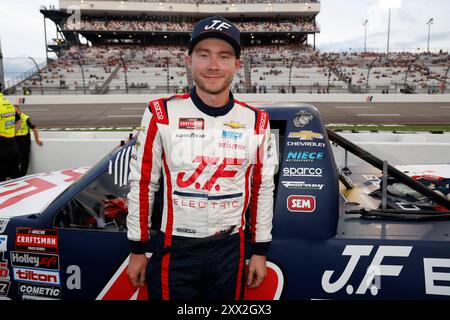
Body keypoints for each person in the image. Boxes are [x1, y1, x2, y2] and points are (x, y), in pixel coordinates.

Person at [126, 15, 275, 300]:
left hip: (232, 249)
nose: (213, 65)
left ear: (237, 65)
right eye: (203, 55)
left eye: (224, 56)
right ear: (189, 60)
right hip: (174, 248)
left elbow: (262, 188)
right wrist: (137, 248)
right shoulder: (161, 112)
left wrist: (259, 250)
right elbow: (143, 183)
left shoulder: (257, 120)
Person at [14, 105, 43, 177]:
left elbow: (34, 128)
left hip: (24, 141)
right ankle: (15, 175)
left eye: (15, 111)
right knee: (14, 159)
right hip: (14, 141)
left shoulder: (26, 118)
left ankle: (22, 175)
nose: (14, 113)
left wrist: (37, 139)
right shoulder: (12, 118)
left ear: (19, 110)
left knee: (24, 159)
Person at [0, 93, 21, 182]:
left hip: (1, 150)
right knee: (13, 181)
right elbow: (19, 121)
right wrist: (13, 133)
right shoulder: (8, 103)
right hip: (13, 147)